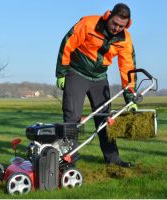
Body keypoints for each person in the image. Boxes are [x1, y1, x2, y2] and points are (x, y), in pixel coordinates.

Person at [55, 3, 138, 168]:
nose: (116, 28)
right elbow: (67, 44)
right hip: (76, 72)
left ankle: (113, 159)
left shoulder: (125, 39)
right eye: (114, 23)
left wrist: (130, 96)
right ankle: (69, 160)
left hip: (100, 78)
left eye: (121, 26)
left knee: (105, 119)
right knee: (72, 117)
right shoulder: (89, 23)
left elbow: (127, 68)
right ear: (109, 16)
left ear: (126, 24)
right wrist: (61, 72)